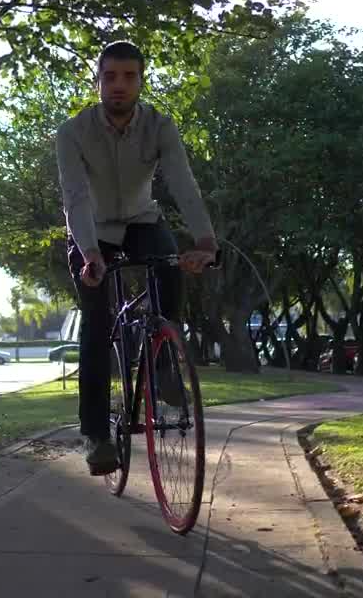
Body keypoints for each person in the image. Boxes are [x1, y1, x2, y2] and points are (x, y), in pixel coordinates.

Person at [56, 40, 219, 476]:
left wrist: (205, 241)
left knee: (169, 273)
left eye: (129, 77)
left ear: (141, 81)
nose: (118, 86)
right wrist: (89, 253)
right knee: (95, 323)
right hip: (93, 232)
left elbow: (184, 184)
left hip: (143, 222)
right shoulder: (72, 132)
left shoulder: (160, 126)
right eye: (109, 77)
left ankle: (164, 364)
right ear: (97, 81)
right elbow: (74, 199)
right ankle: (96, 435)